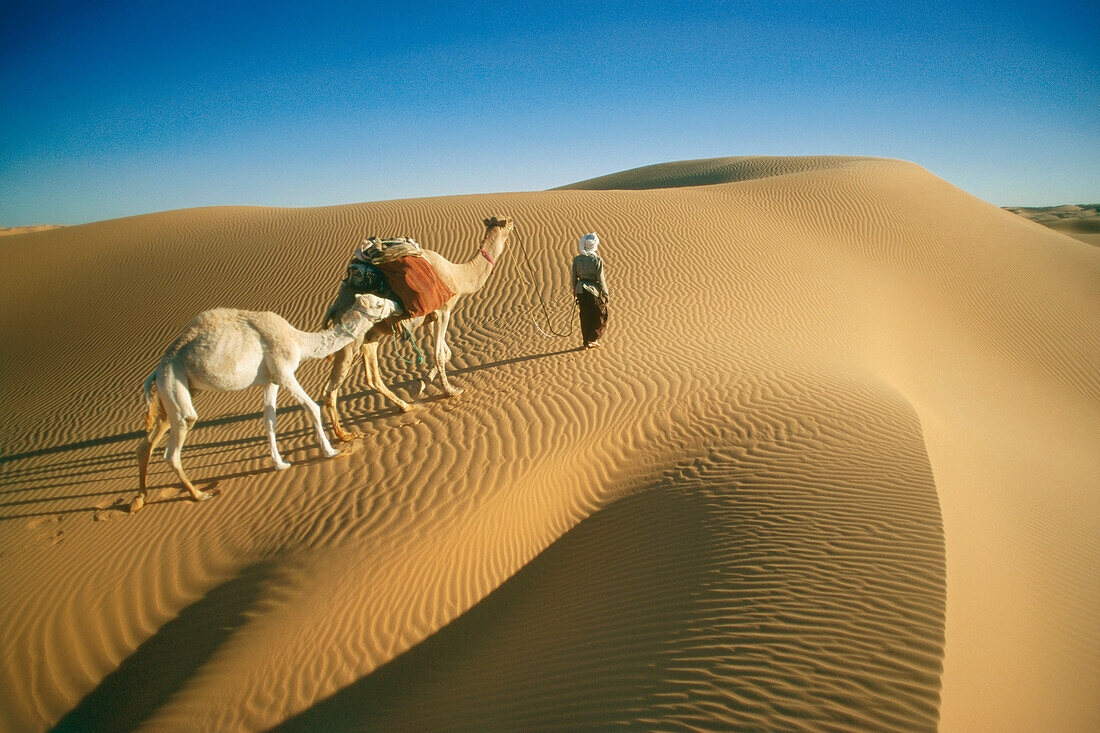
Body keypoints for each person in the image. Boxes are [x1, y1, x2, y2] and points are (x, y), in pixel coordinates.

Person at [571, 232, 609, 349]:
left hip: (580, 290)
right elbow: (601, 279)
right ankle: (592, 338)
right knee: (600, 315)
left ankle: (586, 341)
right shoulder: (597, 260)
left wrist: (575, 292)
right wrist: (606, 294)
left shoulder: (577, 259)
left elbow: (573, 278)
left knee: (585, 316)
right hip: (593, 291)